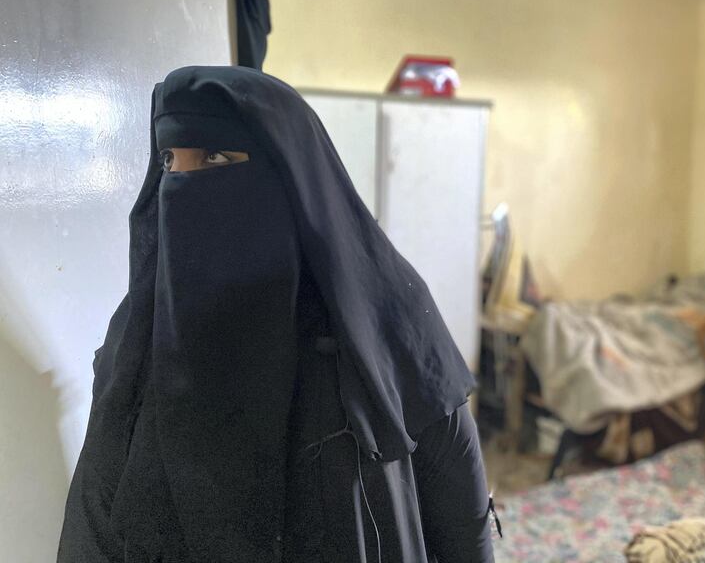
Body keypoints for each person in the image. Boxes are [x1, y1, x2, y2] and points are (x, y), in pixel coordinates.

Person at [57, 65, 496, 562]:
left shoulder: (383, 320)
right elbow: (95, 510)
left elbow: (461, 512)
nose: (180, 184)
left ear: (288, 175)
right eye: (169, 162)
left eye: (215, 156)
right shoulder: (140, 333)